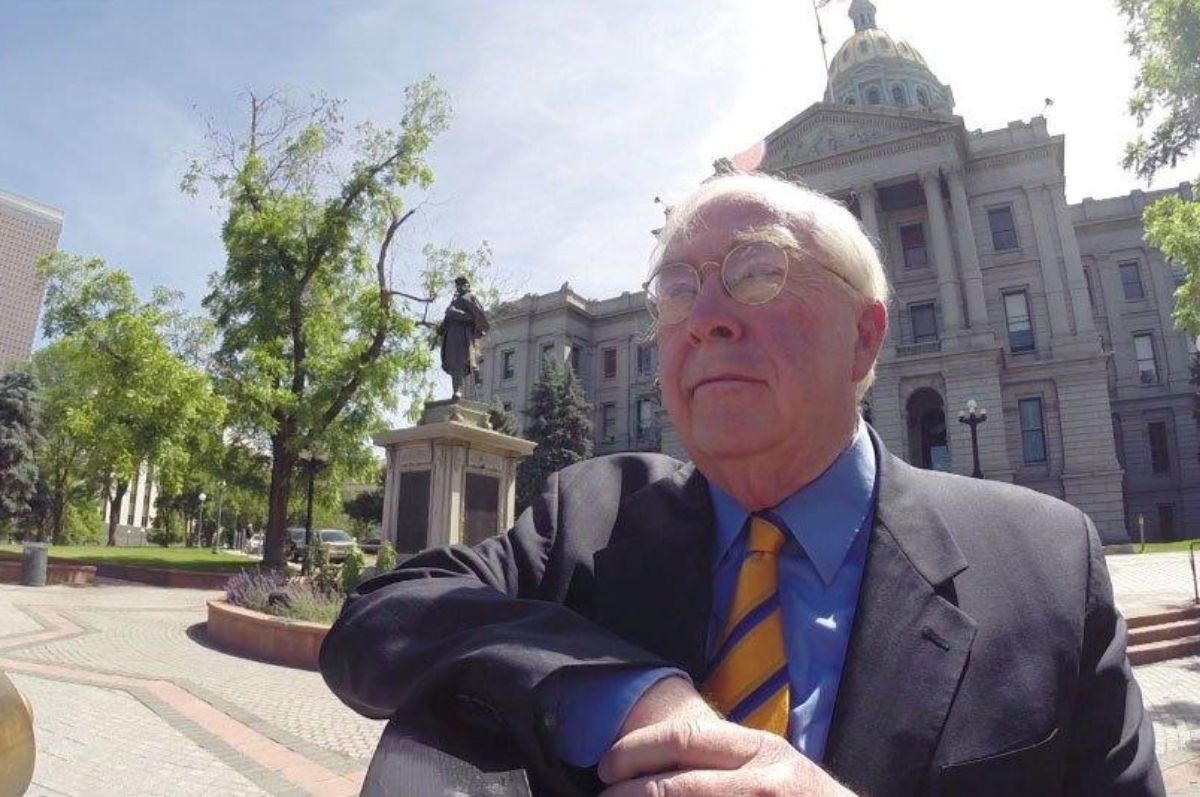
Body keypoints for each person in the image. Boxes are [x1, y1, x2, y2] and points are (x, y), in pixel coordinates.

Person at [320, 173, 1163, 796]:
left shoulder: (1045, 567)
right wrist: (623, 689)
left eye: (757, 270)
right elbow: (379, 622)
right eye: (678, 290)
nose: (706, 316)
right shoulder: (590, 517)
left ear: (865, 340)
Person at [437, 276, 490, 399]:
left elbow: (478, 318)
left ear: (467, 286)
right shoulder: (454, 301)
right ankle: (456, 390)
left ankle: (458, 390)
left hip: (462, 335)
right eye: (457, 285)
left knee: (459, 361)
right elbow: (447, 319)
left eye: (462, 284)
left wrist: (457, 313)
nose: (459, 287)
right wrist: (442, 327)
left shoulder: (469, 298)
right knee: (452, 362)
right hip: (451, 335)